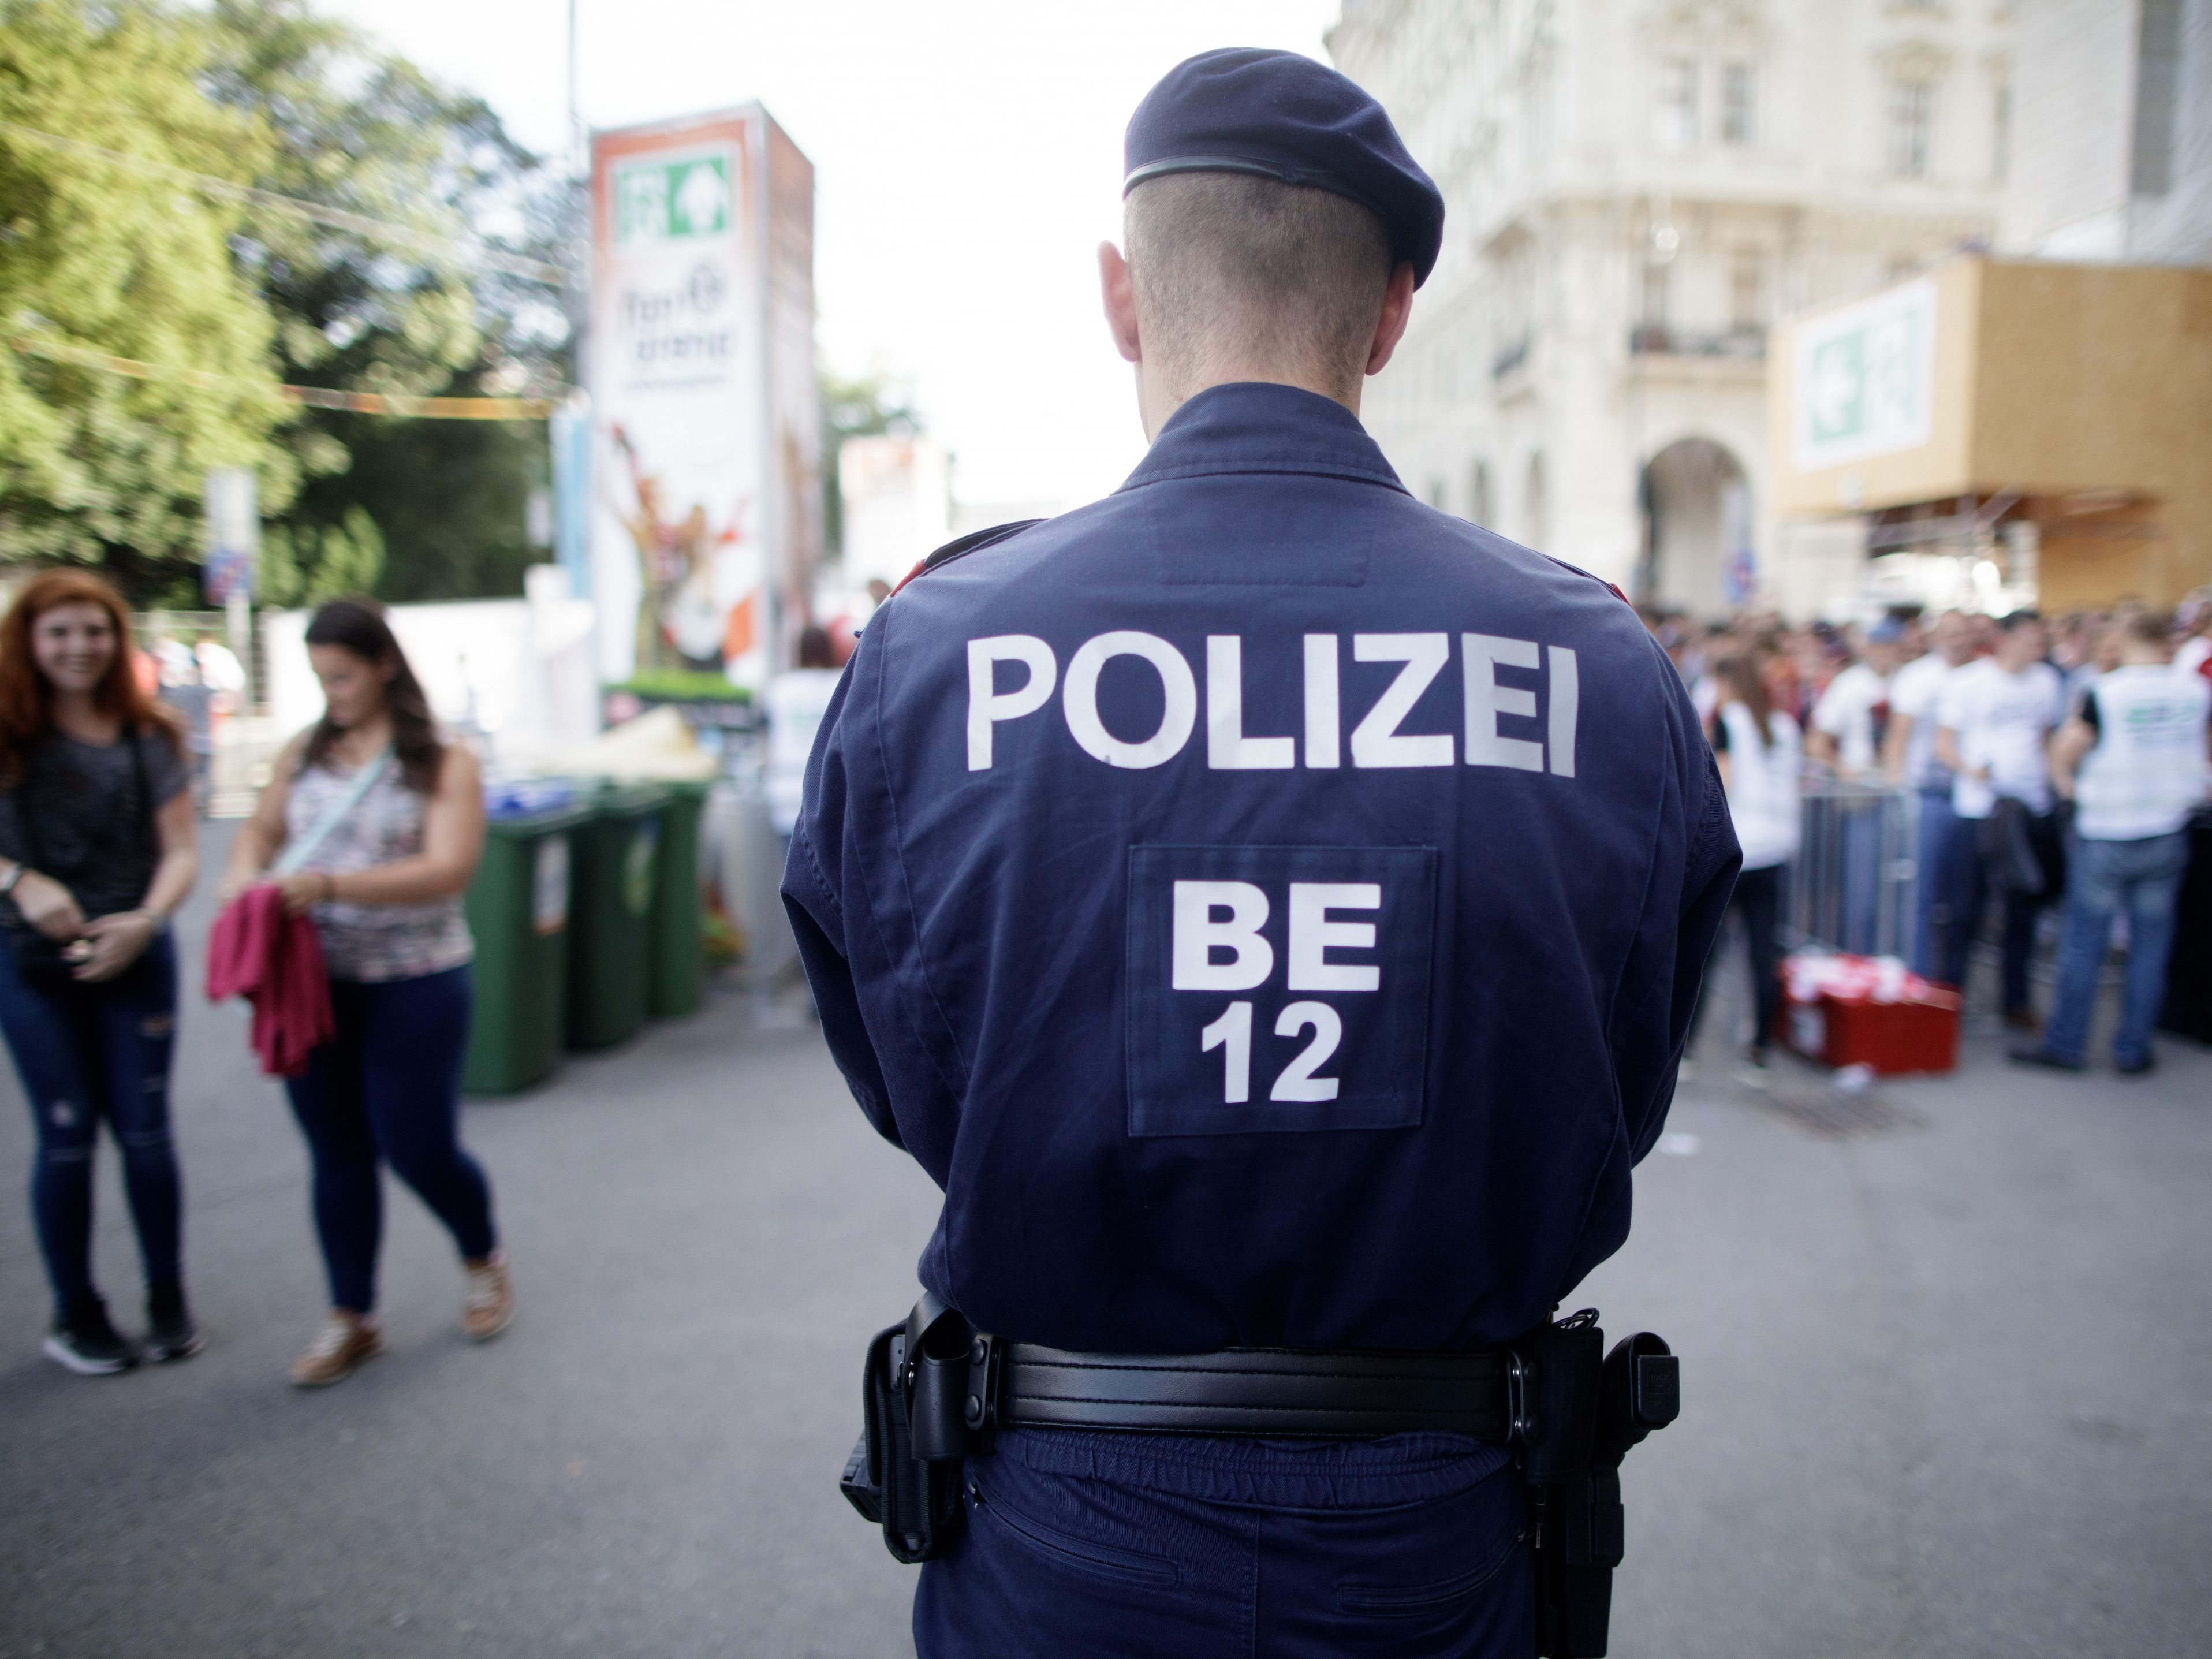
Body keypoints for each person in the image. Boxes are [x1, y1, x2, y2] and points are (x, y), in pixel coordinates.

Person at [784, 50, 1737, 1657]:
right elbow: (1619, 1078)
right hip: (1435, 1532)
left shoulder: (936, 654)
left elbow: (904, 1079)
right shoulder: (1591, 665)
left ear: (1117, 298)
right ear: (1388, 316)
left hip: (1064, 1526)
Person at [219, 599, 509, 1387]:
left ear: (384, 665)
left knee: (417, 1146)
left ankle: (483, 1256)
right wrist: (244, 879)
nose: (332, 693)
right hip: (315, 984)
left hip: (416, 980)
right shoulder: (304, 753)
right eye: (320, 679)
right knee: (336, 1151)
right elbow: (257, 831)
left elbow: (450, 868)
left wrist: (328, 884)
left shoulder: (443, 759)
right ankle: (351, 1314)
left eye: (343, 676)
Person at [0, 572, 202, 1373]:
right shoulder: (8, 733)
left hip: (135, 953)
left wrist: (146, 923)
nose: (79, 647)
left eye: (95, 630)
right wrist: (18, 880)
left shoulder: (147, 733)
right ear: (30, 640)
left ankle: (168, 1298)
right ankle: (76, 1311)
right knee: (66, 1136)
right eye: (60, 632)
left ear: (118, 641)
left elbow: (183, 849)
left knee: (146, 1133)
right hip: (30, 963)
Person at [2012, 610, 2212, 1075]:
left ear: (2124, 640)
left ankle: (2066, 1044)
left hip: (2107, 830)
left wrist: (2069, 792)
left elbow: (2063, 755)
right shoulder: (2193, 692)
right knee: (2150, 945)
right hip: (2165, 828)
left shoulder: (2106, 693)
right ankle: (2132, 1048)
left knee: (2084, 941)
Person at [1934, 610, 2065, 1025]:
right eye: (2028, 638)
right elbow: (1944, 743)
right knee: (1965, 908)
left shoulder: (2045, 681)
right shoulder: (1968, 682)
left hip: (2028, 809)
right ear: (2004, 640)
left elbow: (2044, 738)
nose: (2036, 647)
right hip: (1979, 810)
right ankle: (1949, 998)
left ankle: (2015, 1000)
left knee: (2022, 911)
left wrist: (2052, 785)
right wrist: (1972, 769)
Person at [1687, 653, 1802, 1087]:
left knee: (1706, 952)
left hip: (1737, 846)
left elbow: (1721, 781)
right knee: (1762, 953)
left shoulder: (1728, 720)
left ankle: (1687, 1048)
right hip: (1775, 846)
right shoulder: (1784, 726)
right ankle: (1758, 1052)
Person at [1885, 610, 1976, 977]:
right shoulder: (1918, 676)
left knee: (1962, 901)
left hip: (1970, 798)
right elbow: (1899, 735)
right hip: (1927, 796)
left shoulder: (1980, 675)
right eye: (1950, 633)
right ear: (1936, 637)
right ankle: (1918, 979)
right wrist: (1898, 791)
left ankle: (1953, 984)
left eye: (1963, 632)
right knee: (1919, 898)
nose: (1958, 640)